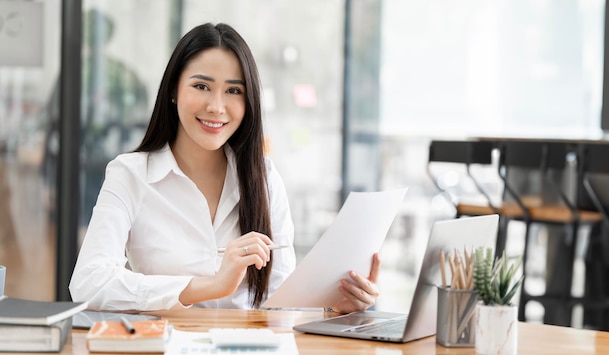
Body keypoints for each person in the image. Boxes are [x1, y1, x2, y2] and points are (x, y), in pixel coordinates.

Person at [69, 22, 380, 313]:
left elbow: (281, 302)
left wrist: (335, 306)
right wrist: (208, 286)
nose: (216, 107)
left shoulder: (265, 177)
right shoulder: (131, 174)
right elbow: (88, 283)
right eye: (202, 86)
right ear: (174, 91)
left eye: (233, 91)